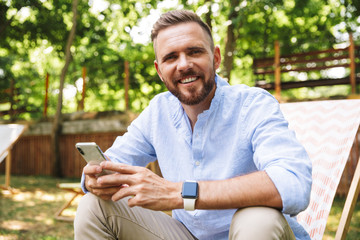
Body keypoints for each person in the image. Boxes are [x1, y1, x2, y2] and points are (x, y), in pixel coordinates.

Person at [74, 9, 312, 240]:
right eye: (171, 57)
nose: (183, 64)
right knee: (93, 206)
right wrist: (94, 179)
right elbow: (113, 163)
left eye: (194, 52)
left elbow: (293, 182)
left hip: (256, 233)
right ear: (159, 70)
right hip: (188, 235)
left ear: (215, 57)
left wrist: (181, 193)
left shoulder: (253, 105)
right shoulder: (158, 111)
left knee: (257, 218)